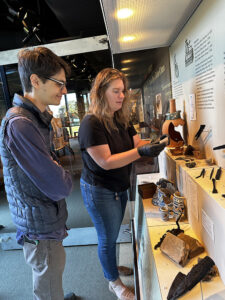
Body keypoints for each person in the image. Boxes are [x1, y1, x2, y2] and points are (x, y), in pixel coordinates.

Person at [78, 68, 167, 300]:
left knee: (113, 231)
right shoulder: (91, 123)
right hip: (99, 189)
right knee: (107, 238)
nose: (121, 96)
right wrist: (140, 151)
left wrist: (162, 141)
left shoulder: (120, 119)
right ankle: (114, 283)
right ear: (101, 92)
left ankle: (112, 269)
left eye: (123, 91)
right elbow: (106, 162)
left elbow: (138, 142)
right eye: (115, 91)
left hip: (118, 187)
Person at [0, 47, 77, 300]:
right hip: (39, 228)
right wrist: (61, 173)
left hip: (42, 220)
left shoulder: (34, 119)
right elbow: (59, 185)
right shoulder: (21, 124)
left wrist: (56, 169)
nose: (64, 91)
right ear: (35, 81)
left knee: (51, 281)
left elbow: (52, 169)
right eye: (59, 84)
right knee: (48, 290)